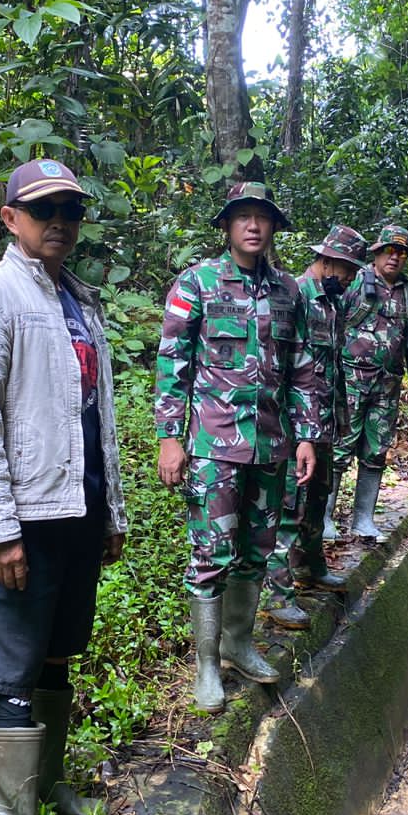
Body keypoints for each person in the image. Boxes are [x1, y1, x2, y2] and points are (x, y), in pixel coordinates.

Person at [0, 158, 128, 815]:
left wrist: (110, 511)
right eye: (43, 208)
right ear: (10, 217)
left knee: (57, 653)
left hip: (76, 506)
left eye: (70, 210)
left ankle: (46, 788)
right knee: (16, 660)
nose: (59, 221)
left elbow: (96, 419)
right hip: (23, 515)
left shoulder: (78, 300)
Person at [155, 182, 320, 712]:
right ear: (227, 226)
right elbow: (173, 363)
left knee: (256, 550)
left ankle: (239, 644)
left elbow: (302, 369)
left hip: (271, 445)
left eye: (262, 217)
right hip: (214, 444)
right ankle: (207, 665)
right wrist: (169, 437)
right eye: (243, 217)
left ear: (273, 227)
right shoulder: (198, 283)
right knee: (211, 554)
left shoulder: (289, 291)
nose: (253, 226)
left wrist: (307, 436)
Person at [261, 225, 365, 629]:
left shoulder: (332, 301)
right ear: (327, 260)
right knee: (290, 505)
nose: (351, 277)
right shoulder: (297, 295)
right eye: (347, 269)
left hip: (323, 421)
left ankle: (310, 566)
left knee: (318, 499)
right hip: (294, 424)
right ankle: (278, 594)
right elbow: (287, 365)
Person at [329, 224, 408, 541]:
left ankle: (363, 519)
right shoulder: (354, 281)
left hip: (387, 386)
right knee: (338, 449)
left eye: (401, 253)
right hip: (349, 383)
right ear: (376, 252)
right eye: (389, 250)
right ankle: (324, 518)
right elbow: (329, 324)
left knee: (376, 452)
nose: (395, 257)